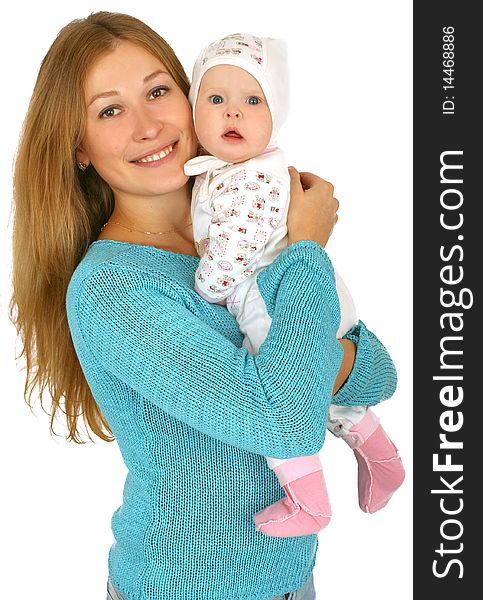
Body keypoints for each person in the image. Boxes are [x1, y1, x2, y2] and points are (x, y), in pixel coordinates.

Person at [10, 12, 399, 600]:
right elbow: (282, 420)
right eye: (109, 110)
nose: (146, 126)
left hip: (290, 578)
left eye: (158, 91)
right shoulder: (113, 292)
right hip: (184, 587)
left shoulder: (243, 232)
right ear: (79, 147)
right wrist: (307, 252)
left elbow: (378, 373)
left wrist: (298, 358)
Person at [184, 33, 405, 537]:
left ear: (276, 113)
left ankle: (308, 500)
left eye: (252, 101)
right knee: (321, 391)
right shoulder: (227, 171)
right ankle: (382, 458)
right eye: (216, 100)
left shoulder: (247, 178)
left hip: (275, 296)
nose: (233, 114)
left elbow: (230, 254)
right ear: (195, 109)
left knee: (277, 392)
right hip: (312, 290)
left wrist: (204, 292)